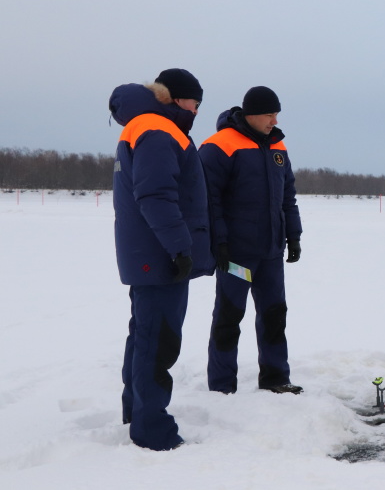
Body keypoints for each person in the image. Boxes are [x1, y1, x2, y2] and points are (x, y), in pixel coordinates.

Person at [109, 68, 214, 451]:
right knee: (158, 341)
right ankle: (152, 430)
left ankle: (137, 413)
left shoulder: (146, 126)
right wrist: (180, 248)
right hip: (159, 257)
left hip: (148, 255)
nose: (196, 111)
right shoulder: (157, 129)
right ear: (173, 98)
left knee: (145, 335)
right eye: (194, 103)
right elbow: (155, 195)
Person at [199, 86, 303, 395]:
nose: (275, 121)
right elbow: (208, 201)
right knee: (229, 316)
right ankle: (221, 386)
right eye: (270, 114)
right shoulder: (219, 145)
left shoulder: (278, 146)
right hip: (236, 254)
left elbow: (288, 197)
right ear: (252, 114)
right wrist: (218, 242)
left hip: (271, 252)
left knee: (274, 315)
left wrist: (294, 236)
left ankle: (276, 378)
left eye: (276, 114)